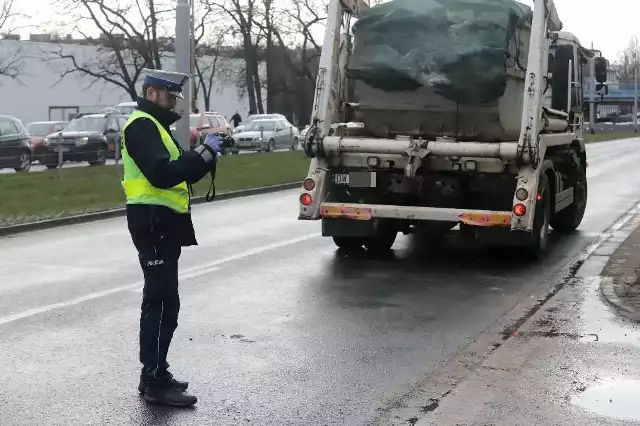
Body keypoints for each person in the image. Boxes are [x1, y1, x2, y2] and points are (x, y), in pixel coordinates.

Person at [120, 69, 221, 407]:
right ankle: (153, 380)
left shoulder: (154, 125)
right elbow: (162, 173)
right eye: (170, 95)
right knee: (161, 301)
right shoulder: (142, 126)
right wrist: (204, 152)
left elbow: (181, 168)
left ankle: (156, 373)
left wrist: (206, 155)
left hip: (161, 221)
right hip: (153, 221)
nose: (175, 101)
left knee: (164, 301)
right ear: (151, 94)